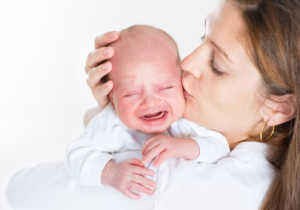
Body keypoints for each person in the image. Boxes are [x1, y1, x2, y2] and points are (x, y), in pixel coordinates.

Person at [6, 0, 300, 209]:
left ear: (278, 108)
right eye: (203, 37)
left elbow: (22, 190)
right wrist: (118, 109)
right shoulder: (241, 148)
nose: (185, 63)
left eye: (218, 65)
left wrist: (112, 132)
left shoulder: (167, 181)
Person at [66, 25, 229, 200]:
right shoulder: (112, 123)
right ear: (112, 99)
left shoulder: (186, 118)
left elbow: (220, 147)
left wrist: (182, 145)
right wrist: (110, 173)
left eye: (165, 87)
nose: (150, 102)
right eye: (131, 93)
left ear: (181, 82)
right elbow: (76, 155)